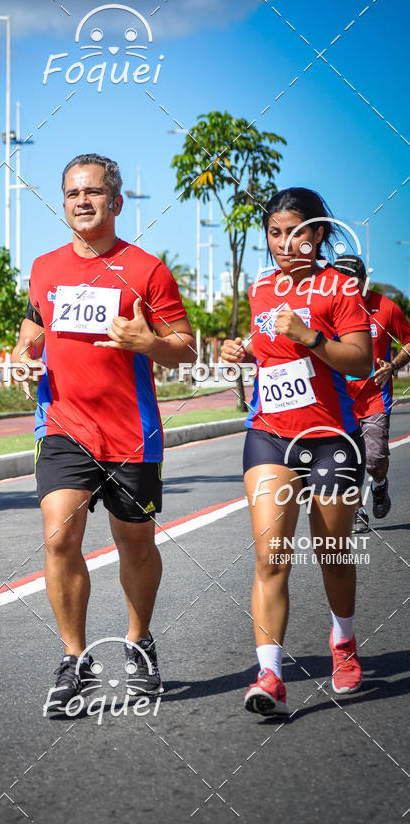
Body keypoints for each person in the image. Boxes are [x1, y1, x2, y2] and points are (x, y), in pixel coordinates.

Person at [11, 153, 195, 709]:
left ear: (115, 202)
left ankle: (139, 644)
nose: (81, 201)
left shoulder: (146, 269)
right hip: (64, 424)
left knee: (134, 544)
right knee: (58, 535)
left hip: (131, 432)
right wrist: (21, 357)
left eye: (92, 192)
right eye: (71, 193)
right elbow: (31, 333)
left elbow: (185, 348)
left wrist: (151, 344)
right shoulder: (44, 269)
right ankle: (75, 659)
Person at [221, 187, 372, 716]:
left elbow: (359, 362)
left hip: (329, 439)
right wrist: (240, 350)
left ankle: (344, 640)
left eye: (297, 231)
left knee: (331, 551)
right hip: (269, 435)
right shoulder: (262, 287)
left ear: (320, 234)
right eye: (275, 232)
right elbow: (268, 353)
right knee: (272, 555)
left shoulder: (340, 288)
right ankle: (270, 675)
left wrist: (310, 337)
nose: (285, 243)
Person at [333, 255, 410, 532]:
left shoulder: (386, 308)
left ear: (365, 282)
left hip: (375, 397)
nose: (347, 291)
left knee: (374, 459)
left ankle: (379, 484)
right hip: (339, 399)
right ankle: (358, 511)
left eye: (353, 285)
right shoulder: (328, 309)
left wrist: (392, 366)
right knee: (345, 460)